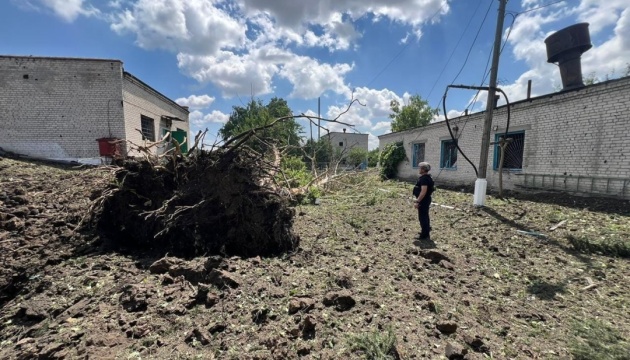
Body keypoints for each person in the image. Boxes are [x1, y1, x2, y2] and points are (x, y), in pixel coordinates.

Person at [413, 162, 434, 240]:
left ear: (423, 169)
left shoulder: (424, 179)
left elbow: (423, 191)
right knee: (425, 216)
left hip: (423, 200)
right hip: (425, 199)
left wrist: (418, 201)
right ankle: (426, 230)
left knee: (423, 217)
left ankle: (424, 235)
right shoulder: (427, 177)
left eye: (420, 168)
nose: (419, 169)